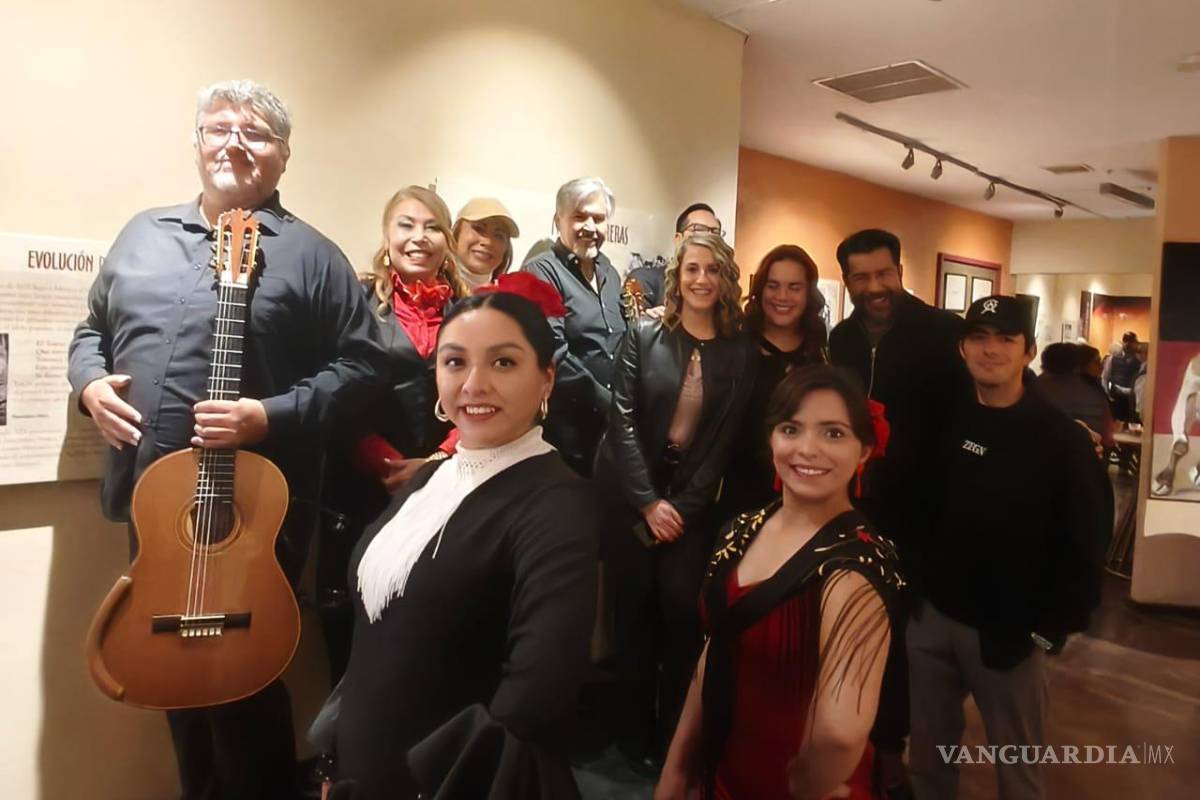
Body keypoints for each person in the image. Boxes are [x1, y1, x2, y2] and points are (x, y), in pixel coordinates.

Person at [67, 79, 388, 800]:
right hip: (155, 508)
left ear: (283, 157)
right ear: (197, 142)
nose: (234, 143)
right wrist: (88, 384)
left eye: (256, 133)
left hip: (256, 513)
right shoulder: (142, 235)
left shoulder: (312, 255)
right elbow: (91, 329)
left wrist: (270, 414)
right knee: (168, 677)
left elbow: (371, 365)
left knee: (244, 683)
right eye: (219, 127)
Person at [331, 275, 600, 799]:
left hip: (450, 782)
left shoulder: (557, 501)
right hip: (366, 767)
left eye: (503, 362)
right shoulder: (434, 475)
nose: (474, 384)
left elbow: (536, 695)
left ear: (547, 379)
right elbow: (376, 636)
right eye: (455, 362)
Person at [656, 365, 904, 800]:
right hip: (724, 772)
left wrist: (808, 782)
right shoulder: (744, 526)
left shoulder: (856, 566)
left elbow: (841, 733)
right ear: (772, 437)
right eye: (792, 429)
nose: (808, 449)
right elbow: (714, 648)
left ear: (864, 450)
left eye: (833, 434)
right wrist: (676, 771)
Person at [908, 295, 1109, 800]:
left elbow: (1086, 543)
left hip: (1011, 635)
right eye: (979, 337)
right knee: (929, 761)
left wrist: (1048, 630)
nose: (990, 349)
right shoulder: (947, 421)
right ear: (962, 348)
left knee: (1018, 773)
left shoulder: (1062, 441)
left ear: (1028, 351)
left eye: (1005, 339)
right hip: (932, 620)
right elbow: (923, 508)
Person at [595, 232, 755, 771]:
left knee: (682, 616)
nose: (702, 279)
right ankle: (629, 736)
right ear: (677, 275)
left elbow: (726, 442)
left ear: (725, 279)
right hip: (630, 495)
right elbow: (620, 420)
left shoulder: (740, 350)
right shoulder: (644, 334)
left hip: (689, 505)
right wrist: (646, 502)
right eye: (692, 269)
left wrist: (680, 508)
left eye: (713, 270)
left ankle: (673, 742)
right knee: (632, 617)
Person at [827, 228, 967, 797]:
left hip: (922, 514)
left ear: (900, 269)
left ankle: (891, 749)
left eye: (883, 273)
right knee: (852, 627)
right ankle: (851, 743)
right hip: (853, 508)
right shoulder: (841, 339)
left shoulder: (943, 333)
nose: (874, 287)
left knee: (906, 643)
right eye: (860, 277)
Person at [318, 185, 467, 683]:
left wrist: (436, 462)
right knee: (353, 620)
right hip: (360, 488)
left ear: (447, 240)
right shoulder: (357, 299)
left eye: (431, 227)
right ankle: (345, 751)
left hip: (444, 487)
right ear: (387, 236)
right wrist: (385, 464)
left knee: (429, 621)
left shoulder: (472, 310)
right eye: (406, 225)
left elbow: (485, 392)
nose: (418, 238)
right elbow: (333, 386)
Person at [523, 176, 626, 475]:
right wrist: (609, 403)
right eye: (579, 217)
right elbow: (553, 352)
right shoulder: (541, 271)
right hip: (565, 431)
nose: (590, 228)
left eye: (599, 218)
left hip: (609, 430)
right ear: (559, 220)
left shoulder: (610, 272)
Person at [718, 244, 828, 520]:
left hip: (802, 497)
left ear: (809, 293)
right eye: (773, 285)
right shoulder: (735, 345)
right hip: (738, 496)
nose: (782, 296)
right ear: (760, 289)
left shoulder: (820, 352)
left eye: (794, 287)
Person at [628, 202, 724, 313]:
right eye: (699, 229)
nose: (708, 238)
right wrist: (649, 321)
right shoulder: (645, 279)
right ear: (678, 239)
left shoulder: (721, 285)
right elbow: (633, 325)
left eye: (715, 233)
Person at [1032, 342, 1115, 449]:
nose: (1101, 367)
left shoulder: (1034, 387)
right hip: (1087, 454)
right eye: (1096, 362)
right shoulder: (1093, 389)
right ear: (1077, 366)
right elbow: (1108, 435)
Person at [1151, 351, 1200, 496]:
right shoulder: (1197, 365)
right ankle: (1172, 465)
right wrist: (1180, 435)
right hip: (1194, 399)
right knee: (1190, 399)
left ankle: (1195, 468)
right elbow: (1186, 399)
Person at [452, 197, 520, 292]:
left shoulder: (506, 301)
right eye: (478, 229)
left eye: (499, 235)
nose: (488, 242)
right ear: (456, 233)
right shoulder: (431, 290)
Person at [1103, 331, 1141, 422]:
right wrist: (1107, 394)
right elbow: (1105, 378)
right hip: (1116, 397)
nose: (1128, 344)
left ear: (1136, 344)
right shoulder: (1112, 359)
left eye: (1131, 341)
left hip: (1133, 399)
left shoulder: (1140, 361)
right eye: (1126, 341)